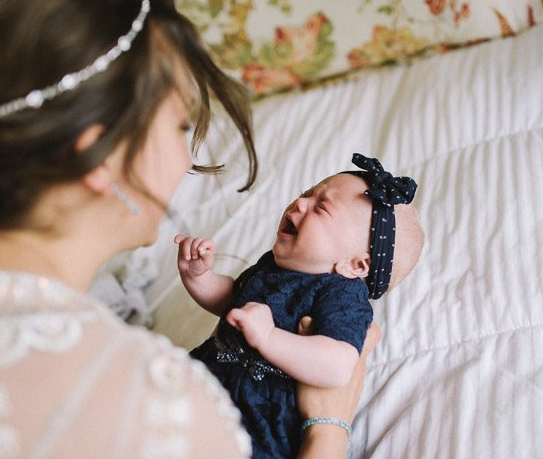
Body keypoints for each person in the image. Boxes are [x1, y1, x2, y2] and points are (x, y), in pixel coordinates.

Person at [0, 0, 376, 457]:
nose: (187, 159)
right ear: (97, 154)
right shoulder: (157, 408)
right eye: (182, 126)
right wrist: (330, 423)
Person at [175, 153, 425, 458]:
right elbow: (233, 304)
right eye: (306, 194)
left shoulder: (343, 296)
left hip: (255, 420)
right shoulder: (272, 265)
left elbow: (337, 365)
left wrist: (269, 337)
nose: (300, 203)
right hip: (197, 386)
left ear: (357, 264)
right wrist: (200, 278)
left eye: (321, 208)